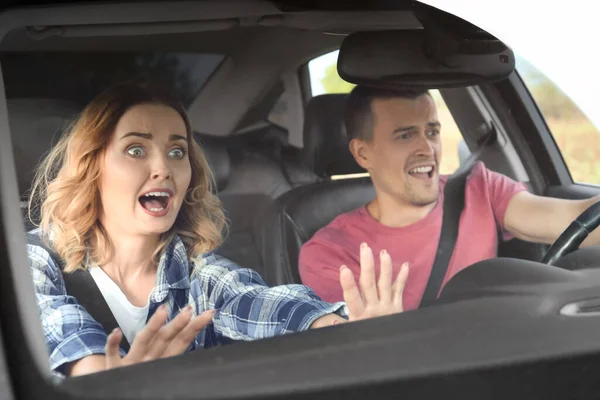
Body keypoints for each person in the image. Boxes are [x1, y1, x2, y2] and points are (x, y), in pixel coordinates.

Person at [27, 82, 409, 379]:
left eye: (177, 152)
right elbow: (56, 325)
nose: (163, 168)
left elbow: (258, 303)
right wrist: (105, 380)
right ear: (93, 166)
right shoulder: (35, 259)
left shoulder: (199, 273)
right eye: (136, 150)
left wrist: (341, 326)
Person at [299, 85, 600, 306]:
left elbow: (573, 222)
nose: (427, 149)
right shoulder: (330, 252)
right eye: (405, 135)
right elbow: (362, 354)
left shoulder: (479, 188)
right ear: (363, 153)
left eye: (431, 132)